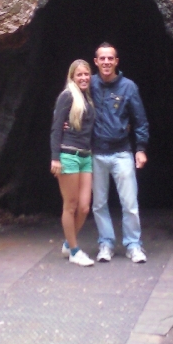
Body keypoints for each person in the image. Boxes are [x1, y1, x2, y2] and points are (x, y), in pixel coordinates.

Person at [90, 43, 149, 263]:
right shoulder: (89, 84)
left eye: (110, 58)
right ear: (96, 61)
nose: (106, 62)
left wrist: (141, 148)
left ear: (116, 61)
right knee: (99, 203)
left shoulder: (128, 87)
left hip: (122, 152)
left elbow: (140, 120)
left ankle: (133, 245)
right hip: (96, 152)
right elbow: (74, 105)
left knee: (129, 202)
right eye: (102, 58)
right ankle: (105, 243)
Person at [50, 59, 96, 267]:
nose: (84, 78)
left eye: (86, 74)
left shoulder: (87, 97)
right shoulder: (67, 96)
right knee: (71, 205)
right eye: (79, 75)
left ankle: (69, 243)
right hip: (68, 154)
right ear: (72, 77)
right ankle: (75, 251)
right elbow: (57, 127)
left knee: (85, 207)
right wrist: (55, 158)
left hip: (85, 156)